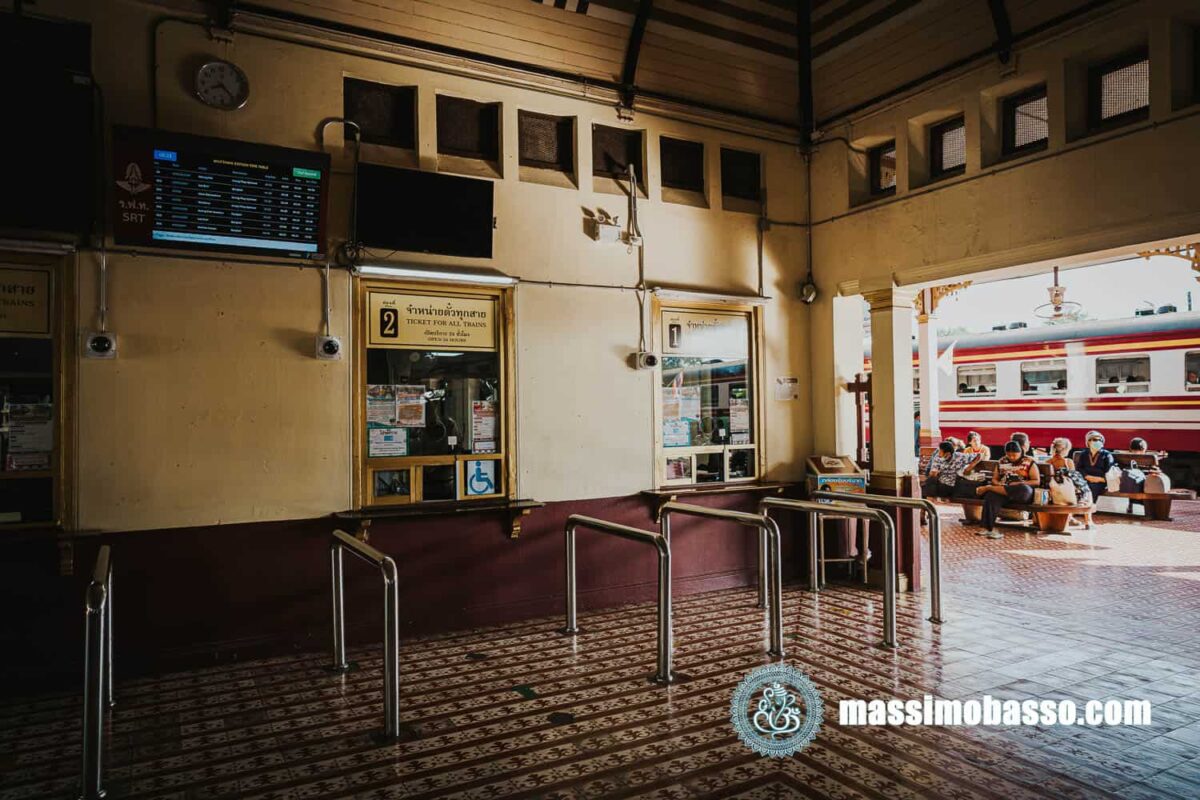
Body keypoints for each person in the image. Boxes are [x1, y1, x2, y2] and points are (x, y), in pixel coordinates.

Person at [975, 441, 1040, 539]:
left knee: (1023, 489)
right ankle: (986, 528)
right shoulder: (1002, 461)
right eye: (1009, 455)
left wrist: (1018, 483)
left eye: (1014, 455)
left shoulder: (1029, 462)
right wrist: (998, 484)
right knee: (991, 496)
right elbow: (994, 479)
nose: (1012, 457)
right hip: (1004, 491)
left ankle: (989, 488)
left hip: (1021, 493)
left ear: (1020, 452)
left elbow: (1036, 481)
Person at [1049, 437, 1094, 529]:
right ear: (1065, 450)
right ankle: (1088, 521)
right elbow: (1075, 479)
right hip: (1066, 492)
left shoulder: (1048, 462)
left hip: (1053, 491)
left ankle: (1070, 518)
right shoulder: (1068, 462)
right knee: (1087, 491)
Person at [1074, 430, 1115, 503]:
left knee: (1092, 487)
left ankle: (1088, 507)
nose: (1098, 442)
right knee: (1079, 486)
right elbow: (1079, 468)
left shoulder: (1106, 455)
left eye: (1100, 440)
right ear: (1088, 442)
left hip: (1100, 481)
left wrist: (1099, 479)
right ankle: (1080, 508)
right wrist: (1086, 476)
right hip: (1086, 479)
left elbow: (1109, 471)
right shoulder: (1084, 454)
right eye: (1095, 440)